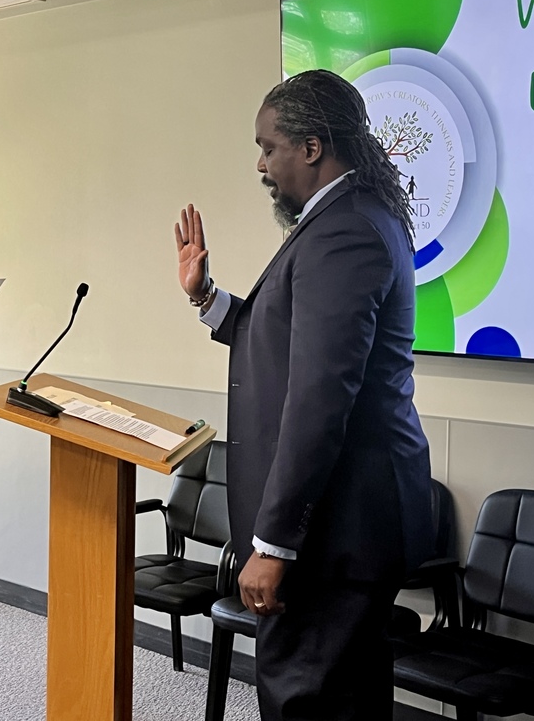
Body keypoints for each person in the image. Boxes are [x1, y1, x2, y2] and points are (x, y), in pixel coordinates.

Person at [174, 70, 433, 720]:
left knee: (308, 698)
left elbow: (321, 396)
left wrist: (274, 544)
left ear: (312, 147)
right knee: (343, 695)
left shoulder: (345, 232)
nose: (261, 165)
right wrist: (207, 298)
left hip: (335, 528)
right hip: (348, 520)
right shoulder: (348, 219)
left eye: (269, 148)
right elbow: (286, 341)